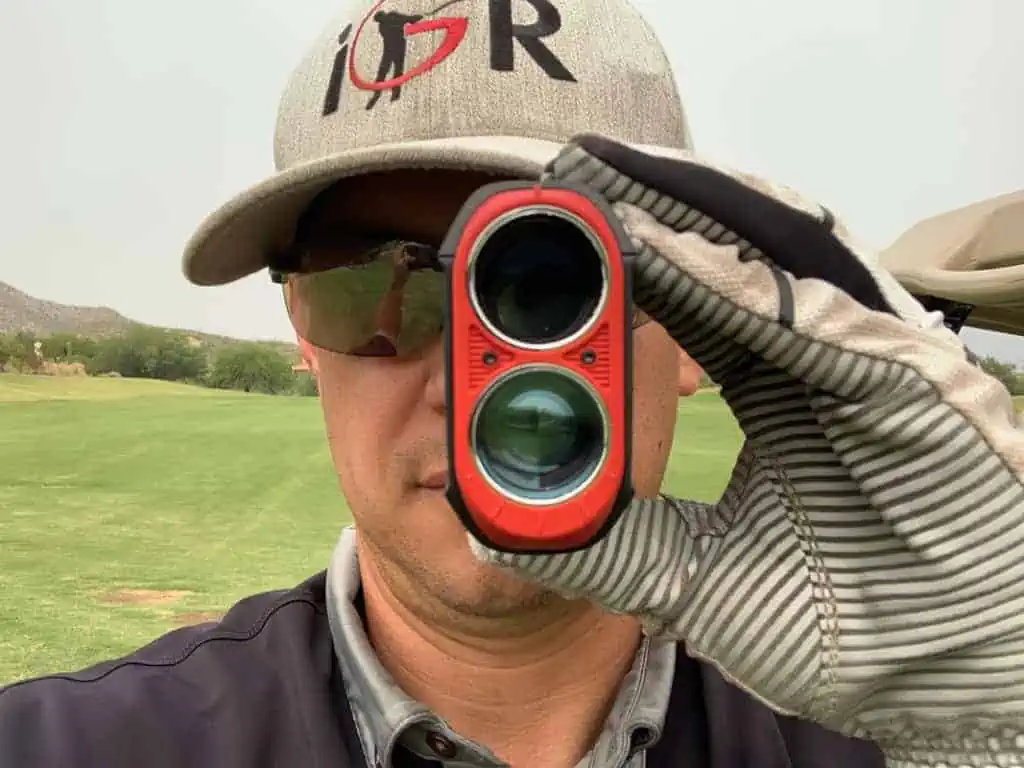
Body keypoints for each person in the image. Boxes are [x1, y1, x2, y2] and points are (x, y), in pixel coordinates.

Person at [3, 1, 1023, 767]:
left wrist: (983, 731)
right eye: (367, 289)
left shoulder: (896, 736)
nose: (466, 387)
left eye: (551, 286)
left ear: (697, 328)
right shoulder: (64, 747)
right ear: (303, 334)